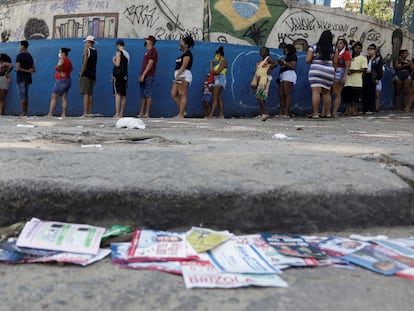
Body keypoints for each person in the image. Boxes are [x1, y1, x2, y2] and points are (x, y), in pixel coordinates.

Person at [305, 30, 335, 118]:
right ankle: (328, 113)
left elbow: (307, 60)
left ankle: (315, 113)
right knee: (326, 93)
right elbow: (335, 61)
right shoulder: (334, 49)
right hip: (329, 71)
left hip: (316, 70)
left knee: (316, 92)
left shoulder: (313, 47)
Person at [171, 33, 194, 118]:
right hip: (179, 75)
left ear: (186, 45)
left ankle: (181, 114)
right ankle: (183, 111)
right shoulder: (183, 54)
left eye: (182, 42)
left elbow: (184, 66)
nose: (181, 43)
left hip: (183, 75)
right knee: (173, 94)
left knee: (182, 94)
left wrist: (179, 75)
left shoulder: (188, 54)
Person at [47, 48, 73, 118]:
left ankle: (50, 113)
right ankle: (64, 114)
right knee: (64, 97)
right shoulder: (69, 61)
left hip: (61, 80)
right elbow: (71, 69)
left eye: (60, 52)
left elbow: (58, 66)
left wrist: (60, 72)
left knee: (54, 96)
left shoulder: (62, 59)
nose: (59, 53)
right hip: (68, 80)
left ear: (63, 53)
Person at [343, 41, 367, 116]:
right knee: (347, 97)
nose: (357, 50)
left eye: (359, 48)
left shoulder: (363, 58)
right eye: (356, 48)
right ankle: (347, 110)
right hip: (348, 81)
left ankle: (354, 110)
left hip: (357, 81)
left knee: (356, 98)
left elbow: (364, 69)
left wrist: (354, 71)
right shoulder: (350, 57)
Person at [253, 46, 276, 121]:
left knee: (260, 96)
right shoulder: (260, 61)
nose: (261, 52)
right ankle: (263, 113)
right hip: (259, 79)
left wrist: (269, 69)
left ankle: (265, 112)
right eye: (260, 51)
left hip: (264, 79)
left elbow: (275, 64)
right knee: (260, 96)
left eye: (263, 51)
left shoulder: (268, 59)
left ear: (266, 52)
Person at [138, 35, 158, 118]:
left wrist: (143, 75)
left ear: (150, 42)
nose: (145, 41)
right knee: (143, 95)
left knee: (148, 94)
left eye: (147, 40)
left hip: (148, 75)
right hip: (145, 75)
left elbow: (150, 64)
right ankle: (141, 112)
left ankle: (147, 113)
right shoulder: (147, 51)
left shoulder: (152, 51)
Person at [332, 37, 351, 117]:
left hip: (340, 72)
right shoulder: (336, 52)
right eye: (338, 43)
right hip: (334, 71)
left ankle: (334, 112)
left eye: (341, 43)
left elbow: (347, 66)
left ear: (344, 45)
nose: (338, 45)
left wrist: (344, 76)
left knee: (337, 92)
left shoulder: (346, 53)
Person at [15, 40, 35, 117]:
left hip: (21, 78)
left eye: (20, 46)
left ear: (22, 46)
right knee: (26, 95)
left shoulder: (19, 56)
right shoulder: (30, 56)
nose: (19, 47)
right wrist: (29, 71)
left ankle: (23, 112)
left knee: (22, 95)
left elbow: (18, 68)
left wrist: (26, 70)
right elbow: (34, 68)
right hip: (28, 78)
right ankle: (25, 112)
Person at [362, 44, 383, 115]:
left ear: (375, 51)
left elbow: (380, 69)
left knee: (372, 93)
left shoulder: (378, 59)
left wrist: (378, 78)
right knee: (365, 93)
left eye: (371, 50)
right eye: (368, 50)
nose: (369, 51)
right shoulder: (366, 58)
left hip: (373, 76)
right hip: (366, 76)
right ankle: (365, 108)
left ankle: (371, 108)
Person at [79, 35, 97, 117]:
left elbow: (84, 63)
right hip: (93, 74)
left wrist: (81, 73)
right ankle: (90, 112)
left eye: (86, 42)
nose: (85, 43)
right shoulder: (95, 51)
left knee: (85, 93)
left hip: (86, 74)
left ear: (89, 42)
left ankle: (85, 112)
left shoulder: (86, 50)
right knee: (90, 94)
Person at [277, 44, 297, 118]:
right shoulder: (287, 57)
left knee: (287, 93)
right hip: (283, 75)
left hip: (289, 75)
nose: (285, 52)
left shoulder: (293, 57)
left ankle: (286, 112)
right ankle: (281, 112)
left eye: (286, 50)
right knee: (281, 94)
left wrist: (284, 63)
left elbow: (293, 66)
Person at [207, 46, 227, 118]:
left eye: (216, 55)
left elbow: (217, 72)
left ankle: (211, 114)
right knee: (218, 98)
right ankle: (221, 114)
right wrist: (212, 64)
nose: (215, 57)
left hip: (220, 80)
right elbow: (212, 71)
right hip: (217, 80)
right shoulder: (219, 63)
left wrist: (213, 72)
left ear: (219, 55)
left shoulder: (223, 62)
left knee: (214, 97)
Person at [112, 39, 130, 118]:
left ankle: (117, 113)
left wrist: (113, 60)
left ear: (118, 46)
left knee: (117, 94)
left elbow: (117, 64)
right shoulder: (127, 54)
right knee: (123, 95)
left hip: (118, 76)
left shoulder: (118, 53)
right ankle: (121, 113)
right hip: (124, 76)